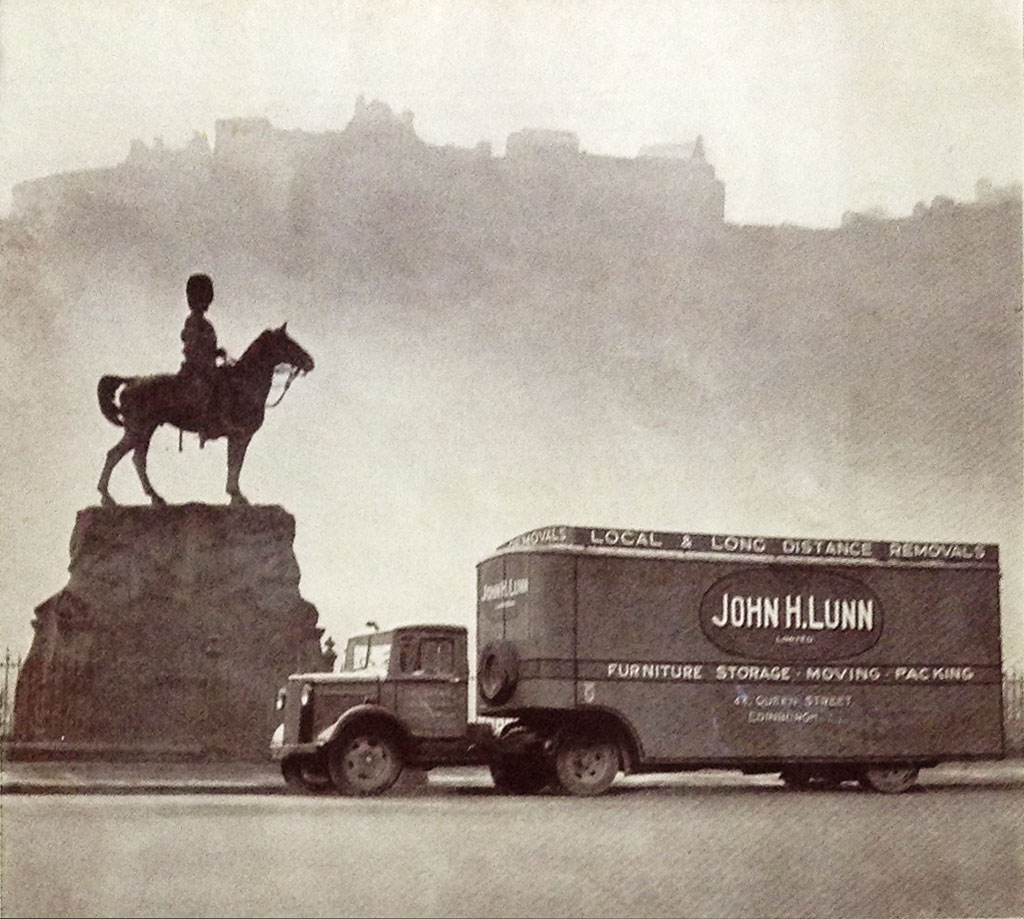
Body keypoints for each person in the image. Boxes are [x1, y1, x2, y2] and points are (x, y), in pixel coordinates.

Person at [179, 273, 227, 443]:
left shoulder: (204, 323)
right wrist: (208, 359)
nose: (206, 304)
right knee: (210, 390)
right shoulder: (194, 322)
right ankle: (205, 426)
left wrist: (216, 353)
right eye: (203, 300)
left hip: (207, 366)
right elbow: (191, 349)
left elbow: (205, 347)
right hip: (197, 370)